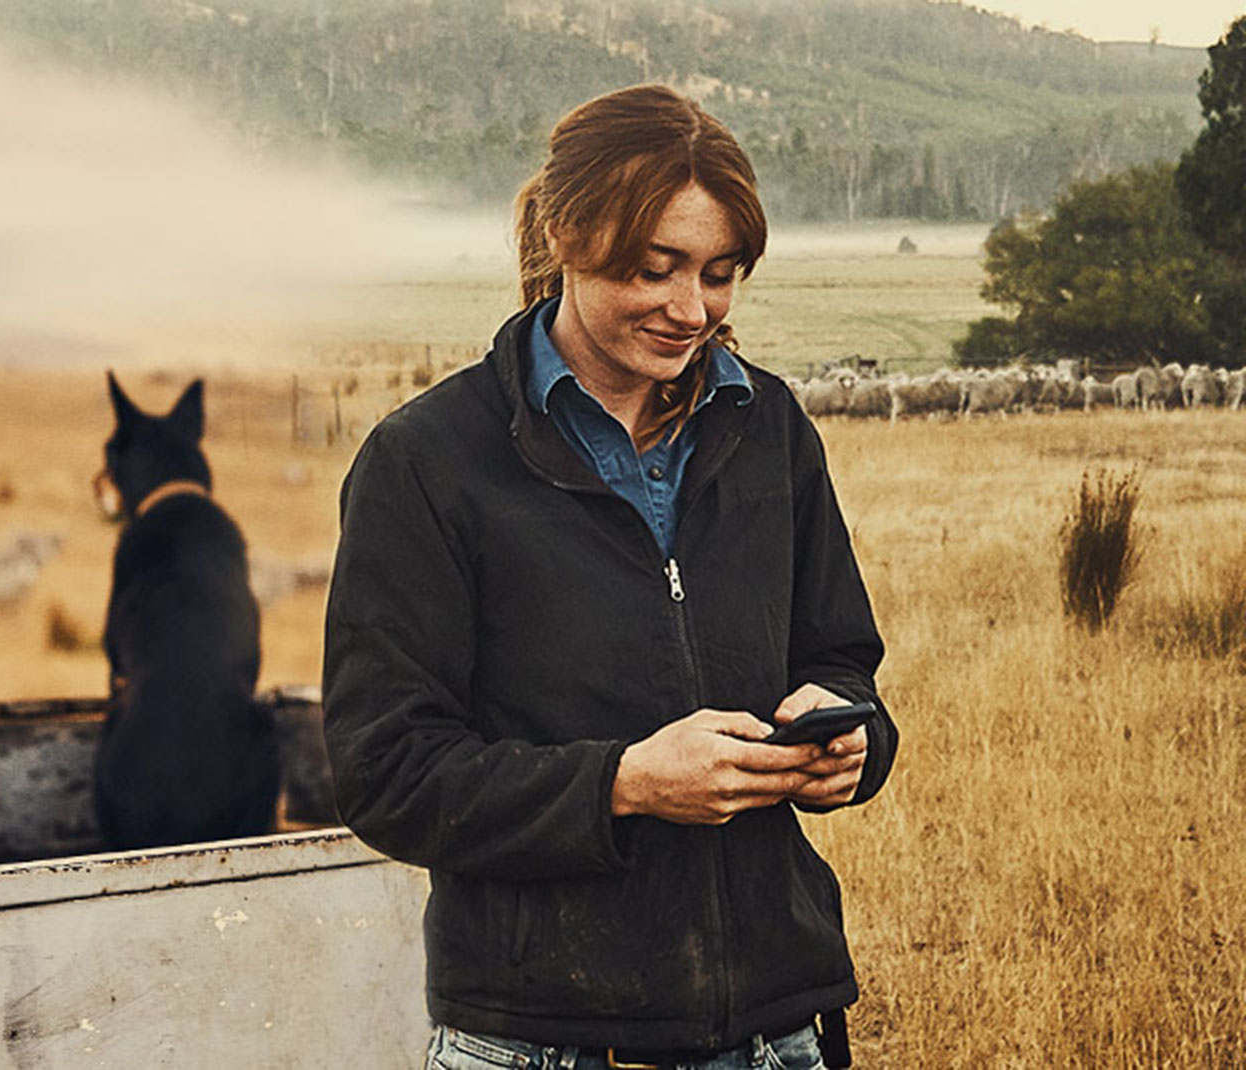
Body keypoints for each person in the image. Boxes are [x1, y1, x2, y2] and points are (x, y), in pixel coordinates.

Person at [322, 83, 898, 1070]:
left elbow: (842, 659)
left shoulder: (771, 425)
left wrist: (851, 742)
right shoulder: (425, 460)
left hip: (775, 1026)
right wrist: (624, 783)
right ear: (565, 235)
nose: (693, 310)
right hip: (539, 1036)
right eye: (655, 268)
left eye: (721, 274)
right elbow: (387, 771)